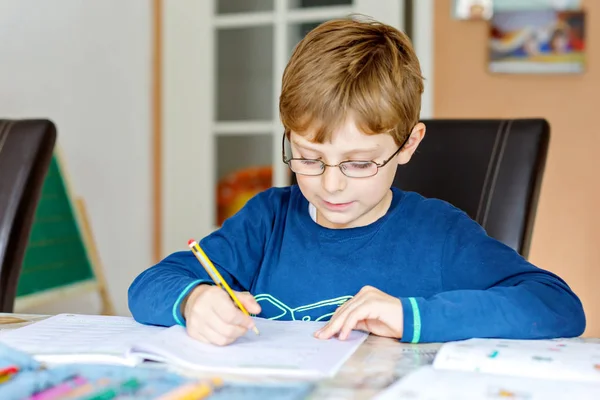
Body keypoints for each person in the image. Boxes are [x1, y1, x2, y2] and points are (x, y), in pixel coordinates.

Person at [128, 17, 585, 346]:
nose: (331, 186)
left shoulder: (440, 235)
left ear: (407, 145)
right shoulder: (268, 221)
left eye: (359, 164)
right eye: (308, 158)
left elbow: (558, 306)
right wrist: (194, 301)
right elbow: (150, 285)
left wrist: (412, 316)